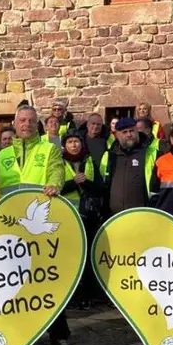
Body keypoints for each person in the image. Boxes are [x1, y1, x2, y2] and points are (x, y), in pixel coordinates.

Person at [0, 105, 75, 345]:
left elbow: (57, 170)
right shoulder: (3, 154)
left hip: (40, 230)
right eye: (22, 120)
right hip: (12, 230)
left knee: (47, 281)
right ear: (15, 123)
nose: (26, 124)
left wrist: (54, 183)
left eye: (30, 120)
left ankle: (59, 337)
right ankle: (18, 335)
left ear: (36, 123)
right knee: (14, 285)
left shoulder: (49, 148)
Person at [60, 129, 104, 310]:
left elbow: (101, 188)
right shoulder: (59, 163)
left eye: (76, 141)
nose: (74, 145)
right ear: (65, 145)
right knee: (69, 258)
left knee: (86, 258)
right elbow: (55, 188)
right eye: (70, 142)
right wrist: (74, 182)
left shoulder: (90, 162)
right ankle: (70, 296)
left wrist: (85, 181)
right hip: (67, 217)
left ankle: (86, 296)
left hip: (88, 216)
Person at [100, 118, 162, 218]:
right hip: (114, 217)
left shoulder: (150, 153)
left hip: (144, 215)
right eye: (124, 132)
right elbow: (103, 184)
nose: (129, 135)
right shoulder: (110, 156)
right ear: (117, 135)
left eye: (132, 131)